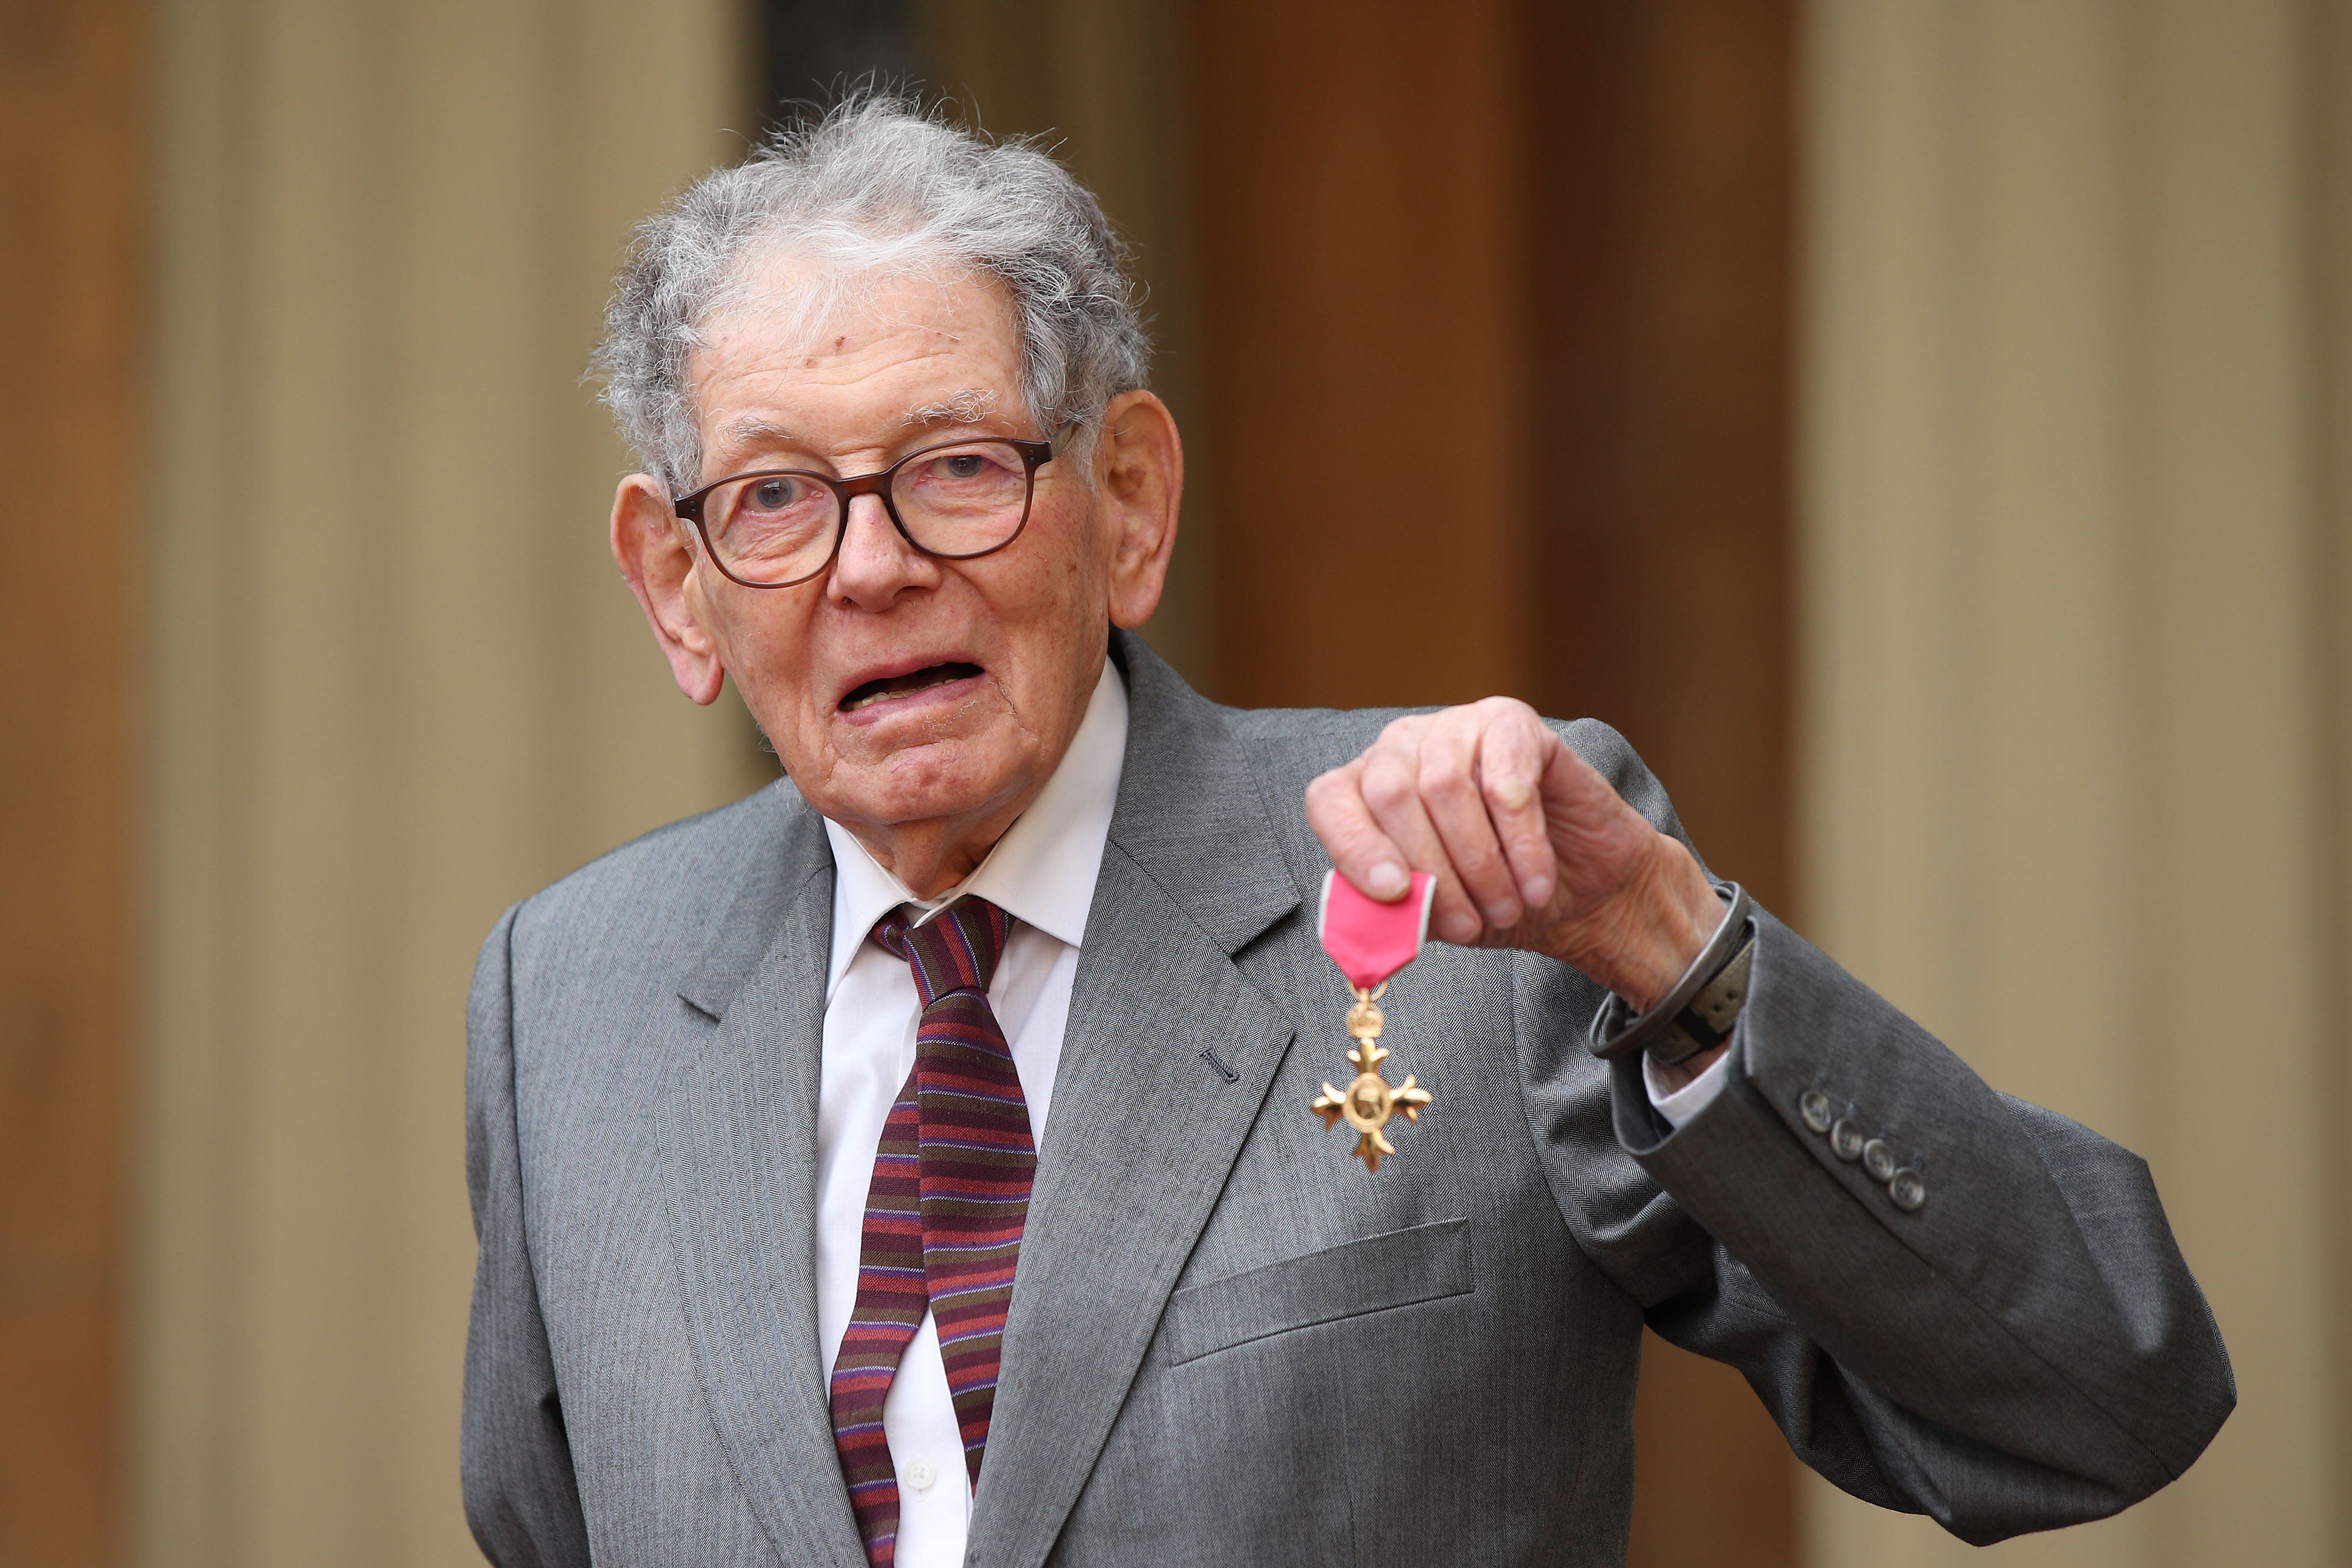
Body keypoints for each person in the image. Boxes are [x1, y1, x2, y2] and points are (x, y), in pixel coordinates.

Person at [461, 98, 2230, 1568]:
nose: (869, 564)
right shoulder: (573, 1000)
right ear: (677, 585)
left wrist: (1677, 957)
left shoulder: (1484, 907)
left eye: (958, 465)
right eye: (773, 496)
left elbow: (2092, 1397)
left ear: (1128, 502)